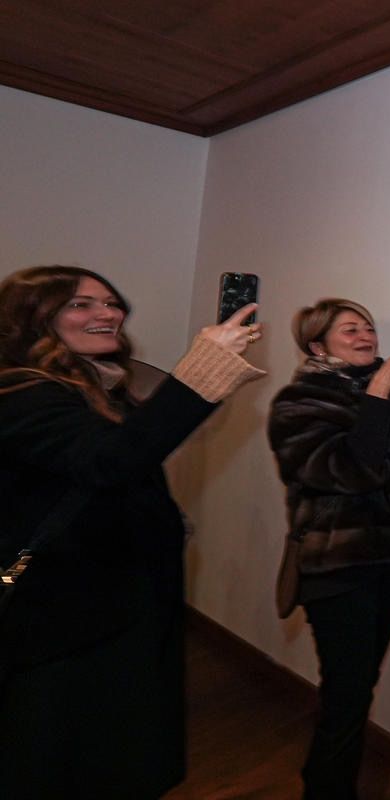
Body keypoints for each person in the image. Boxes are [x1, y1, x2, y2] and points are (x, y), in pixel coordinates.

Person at [0, 265, 264, 798]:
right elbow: (111, 462)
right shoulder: (20, 393)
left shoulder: (96, 387)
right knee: (61, 757)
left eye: (111, 302)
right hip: (63, 617)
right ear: (31, 320)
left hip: (114, 605)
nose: (108, 313)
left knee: (114, 746)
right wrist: (201, 373)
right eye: (80, 304)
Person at [268, 298, 390, 800]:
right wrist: (377, 395)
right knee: (347, 694)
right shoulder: (297, 402)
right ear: (317, 346)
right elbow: (351, 472)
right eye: (349, 330)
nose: (366, 336)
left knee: (359, 684)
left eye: (368, 328)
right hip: (337, 566)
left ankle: (324, 782)